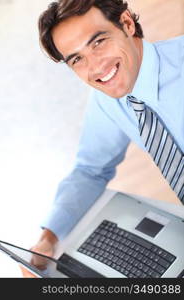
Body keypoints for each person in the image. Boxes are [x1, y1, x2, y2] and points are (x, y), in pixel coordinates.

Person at [21, 0, 184, 277]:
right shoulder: (109, 101)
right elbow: (90, 170)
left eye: (98, 42)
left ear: (127, 24)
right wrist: (48, 238)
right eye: (76, 59)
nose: (95, 68)